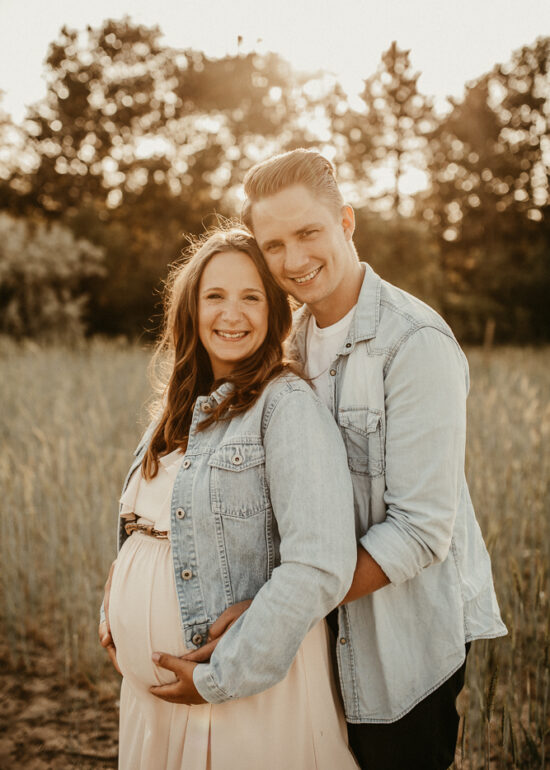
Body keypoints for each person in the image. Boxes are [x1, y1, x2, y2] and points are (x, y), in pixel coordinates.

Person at [186, 150, 507, 770]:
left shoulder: (415, 344)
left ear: (347, 223)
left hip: (401, 637)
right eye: (273, 244)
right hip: (310, 632)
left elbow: (419, 531)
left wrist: (281, 607)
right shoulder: (284, 344)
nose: (294, 260)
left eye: (309, 233)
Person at [98, 227, 360, 769]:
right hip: (157, 701)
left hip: (242, 692)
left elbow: (318, 564)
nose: (231, 314)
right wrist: (113, 610)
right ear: (191, 309)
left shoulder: (285, 407)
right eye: (215, 296)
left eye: (251, 297)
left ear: (274, 313)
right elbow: (142, 527)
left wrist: (222, 677)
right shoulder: (175, 410)